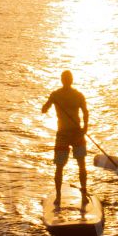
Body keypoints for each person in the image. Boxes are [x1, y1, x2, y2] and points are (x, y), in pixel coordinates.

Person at [41, 70, 89, 208]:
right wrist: (46, 106)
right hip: (62, 133)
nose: (67, 80)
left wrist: (85, 127)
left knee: (81, 164)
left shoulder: (78, 95)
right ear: (62, 80)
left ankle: (84, 194)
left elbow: (85, 112)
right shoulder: (56, 95)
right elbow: (45, 108)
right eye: (65, 78)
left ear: (71, 80)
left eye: (69, 78)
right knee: (59, 165)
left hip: (77, 133)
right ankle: (58, 196)